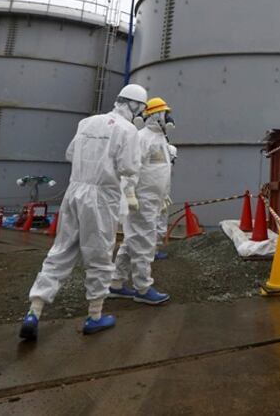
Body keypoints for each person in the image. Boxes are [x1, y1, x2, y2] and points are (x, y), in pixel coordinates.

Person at [19, 84, 144, 340]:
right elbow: (129, 167)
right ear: (134, 106)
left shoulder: (87, 122)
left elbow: (70, 153)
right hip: (101, 197)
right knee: (99, 256)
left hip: (74, 192)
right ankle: (95, 316)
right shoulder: (128, 130)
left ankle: (34, 311)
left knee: (60, 251)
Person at [110, 97, 174, 305]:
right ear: (155, 115)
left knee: (131, 242)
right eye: (165, 113)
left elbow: (160, 171)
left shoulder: (161, 140)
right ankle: (143, 288)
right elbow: (131, 168)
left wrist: (163, 196)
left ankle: (116, 283)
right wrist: (129, 194)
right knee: (145, 243)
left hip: (152, 200)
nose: (169, 117)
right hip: (141, 201)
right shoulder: (142, 138)